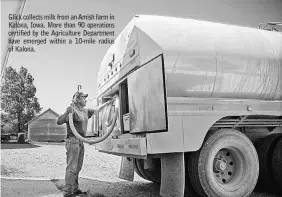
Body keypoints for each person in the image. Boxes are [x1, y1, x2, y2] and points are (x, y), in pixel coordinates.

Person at [57, 92, 97, 197]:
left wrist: (109, 103)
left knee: (78, 167)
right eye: (84, 98)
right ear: (78, 99)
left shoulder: (85, 111)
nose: (86, 100)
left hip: (81, 141)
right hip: (73, 141)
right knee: (72, 167)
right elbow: (59, 121)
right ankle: (68, 192)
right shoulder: (72, 111)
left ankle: (74, 189)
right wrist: (66, 113)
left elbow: (98, 109)